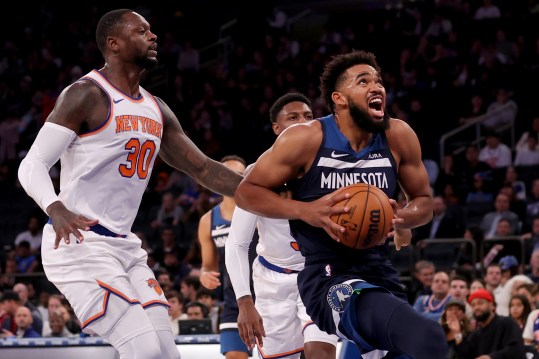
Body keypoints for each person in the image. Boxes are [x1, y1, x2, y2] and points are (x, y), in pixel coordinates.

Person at [16, 9, 242, 359]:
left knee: (168, 354)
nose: (153, 36)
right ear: (114, 43)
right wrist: (55, 206)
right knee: (145, 351)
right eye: (142, 31)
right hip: (79, 243)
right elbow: (31, 165)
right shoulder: (86, 95)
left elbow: (204, 170)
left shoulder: (157, 108)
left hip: (125, 247)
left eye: (151, 31)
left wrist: (269, 186)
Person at [235, 50, 447, 358]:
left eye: (378, 81)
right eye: (363, 81)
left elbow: (424, 202)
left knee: (422, 348)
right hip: (328, 275)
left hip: (379, 268)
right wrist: (307, 211)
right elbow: (246, 192)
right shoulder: (306, 139)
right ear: (339, 98)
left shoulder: (397, 135)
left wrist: (400, 217)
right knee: (426, 336)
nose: (377, 87)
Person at [225, 93, 339, 359]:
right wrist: (244, 301)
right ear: (276, 128)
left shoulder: (330, 167)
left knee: (320, 352)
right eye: (293, 117)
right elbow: (238, 243)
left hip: (318, 273)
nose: (303, 122)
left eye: (309, 117)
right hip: (271, 281)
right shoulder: (257, 173)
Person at [197, 155, 250, 359]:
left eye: (239, 175)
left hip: (266, 296)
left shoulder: (261, 209)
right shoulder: (208, 220)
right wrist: (205, 275)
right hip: (233, 302)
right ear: (217, 179)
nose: (234, 179)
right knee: (235, 355)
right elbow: (208, 266)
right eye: (228, 174)